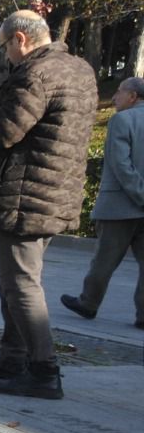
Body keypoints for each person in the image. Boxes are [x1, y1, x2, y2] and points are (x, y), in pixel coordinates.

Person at [0, 10, 99, 400]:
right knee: (15, 278)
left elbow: (4, 131)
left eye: (5, 45)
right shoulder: (80, 70)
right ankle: (13, 355)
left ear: (21, 40)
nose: (6, 53)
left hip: (25, 195)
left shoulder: (34, 74)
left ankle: (43, 370)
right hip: (56, 190)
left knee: (21, 283)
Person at [61, 76, 144, 329]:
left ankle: (89, 303)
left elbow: (120, 163)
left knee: (104, 260)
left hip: (120, 206)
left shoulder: (122, 120)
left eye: (119, 91)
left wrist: (139, 194)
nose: (115, 96)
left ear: (132, 96)